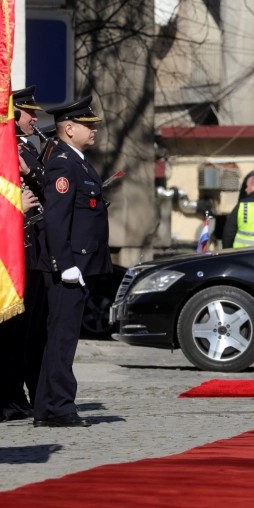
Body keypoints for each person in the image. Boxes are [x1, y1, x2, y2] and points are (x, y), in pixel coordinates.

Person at [33, 96, 113, 428]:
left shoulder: (78, 161)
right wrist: (64, 264)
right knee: (62, 339)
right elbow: (56, 218)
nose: (93, 130)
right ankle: (59, 408)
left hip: (80, 265)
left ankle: (48, 407)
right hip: (70, 267)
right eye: (87, 125)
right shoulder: (64, 164)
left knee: (61, 337)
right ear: (69, 128)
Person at [0, 86, 47, 421]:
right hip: (10, 253)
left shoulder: (26, 148)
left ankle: (18, 394)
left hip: (32, 250)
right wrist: (18, 205)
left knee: (28, 333)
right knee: (11, 332)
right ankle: (8, 397)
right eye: (30, 112)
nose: (35, 118)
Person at [222, 174, 254, 248]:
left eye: (247, 186)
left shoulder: (242, 205)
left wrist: (227, 252)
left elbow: (229, 234)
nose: (246, 189)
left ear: (253, 187)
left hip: (242, 255)